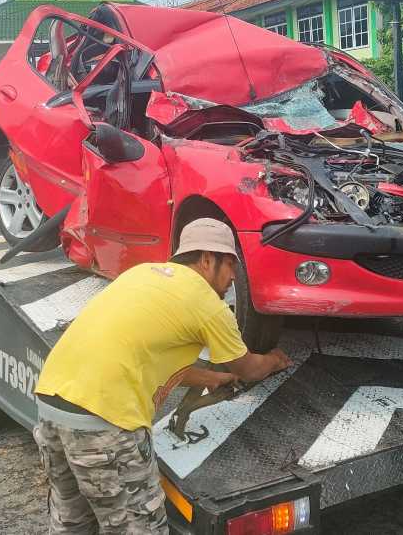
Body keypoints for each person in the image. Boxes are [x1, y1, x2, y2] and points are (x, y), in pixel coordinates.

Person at [33, 218, 293, 533]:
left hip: (51, 403)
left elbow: (142, 354)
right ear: (207, 259)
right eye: (230, 266)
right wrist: (275, 360)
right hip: (103, 421)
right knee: (139, 527)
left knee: (72, 523)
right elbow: (249, 368)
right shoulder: (209, 305)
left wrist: (210, 379)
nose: (233, 278)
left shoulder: (142, 274)